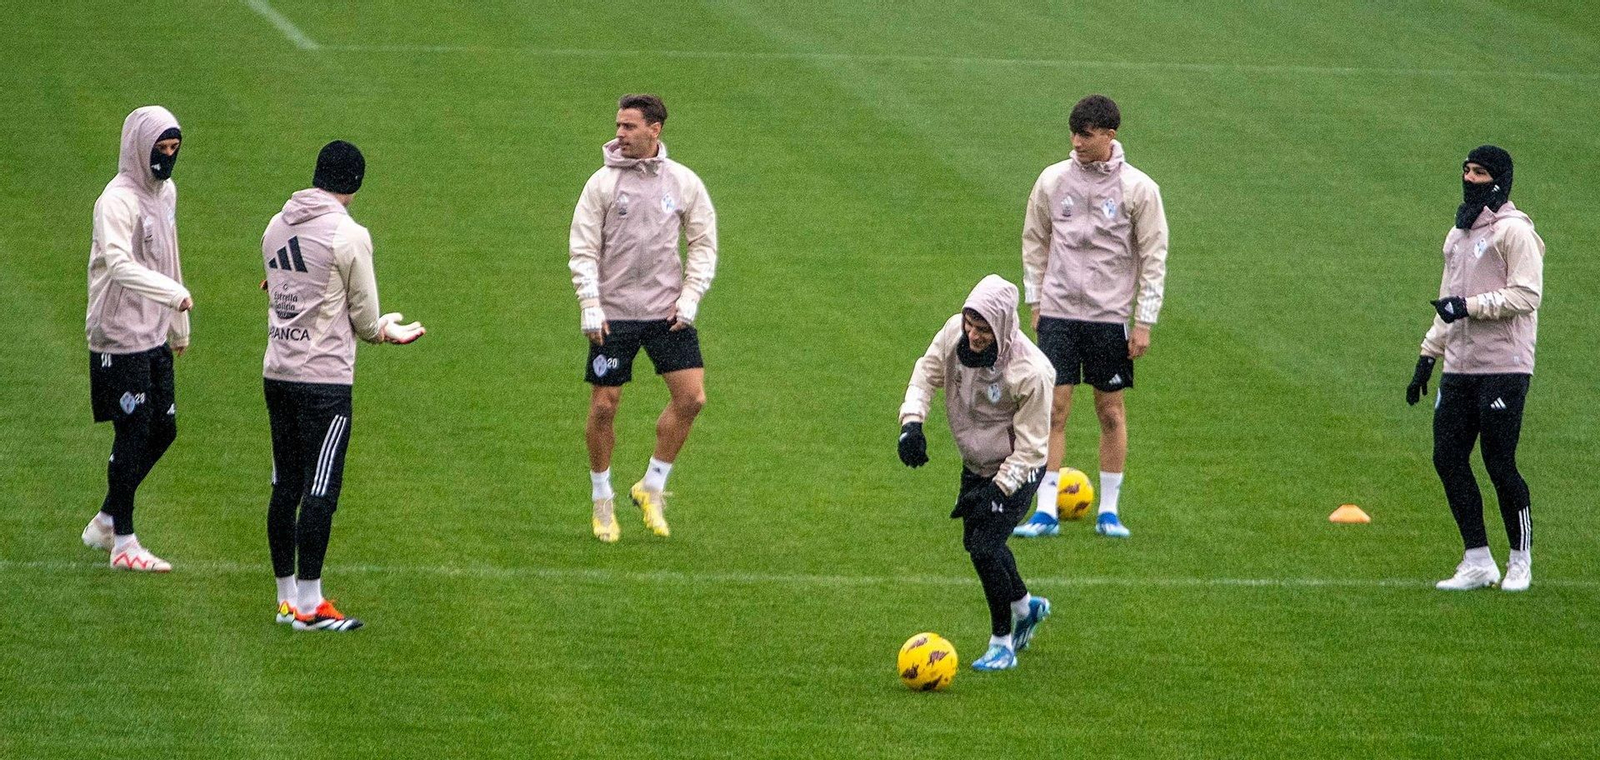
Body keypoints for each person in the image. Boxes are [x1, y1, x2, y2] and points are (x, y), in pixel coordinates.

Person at [261, 141, 426, 631]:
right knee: (320, 487)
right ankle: (310, 608)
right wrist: (386, 329)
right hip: (324, 380)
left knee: (284, 483)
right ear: (354, 183)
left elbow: (280, 288)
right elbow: (366, 316)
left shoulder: (275, 224)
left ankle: (286, 597)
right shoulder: (348, 234)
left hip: (277, 371)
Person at [1013, 94, 1169, 540]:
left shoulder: (1139, 189)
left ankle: (1110, 511)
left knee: (1110, 412)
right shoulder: (1052, 180)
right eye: (1074, 133)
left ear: (1109, 136)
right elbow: (1035, 239)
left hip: (1109, 317)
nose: (1076, 142)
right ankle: (1044, 511)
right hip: (1059, 312)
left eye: (1086, 135)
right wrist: (1036, 300)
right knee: (1053, 409)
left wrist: (1144, 321)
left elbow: (1153, 256)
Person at [569, 94, 717, 543]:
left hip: (666, 314)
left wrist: (690, 298)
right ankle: (602, 500)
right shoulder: (602, 184)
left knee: (692, 399)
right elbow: (582, 248)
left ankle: (651, 486)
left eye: (629, 127)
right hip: (613, 315)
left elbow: (704, 244)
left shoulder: (684, 182)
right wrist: (590, 304)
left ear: (655, 130)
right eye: (618, 125)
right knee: (604, 405)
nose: (619, 134)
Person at [898, 275, 1054, 672]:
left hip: (1018, 467)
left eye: (983, 329)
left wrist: (998, 491)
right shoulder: (954, 334)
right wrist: (912, 424)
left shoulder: (1032, 372)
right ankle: (1025, 606)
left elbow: (1034, 447)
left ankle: (1002, 642)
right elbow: (926, 373)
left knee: (985, 546)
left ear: (1002, 326)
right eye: (970, 324)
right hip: (975, 463)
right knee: (977, 542)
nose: (973, 335)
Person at [1407, 145, 1543, 592]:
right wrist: (1428, 355)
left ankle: (1519, 560)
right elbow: (1448, 303)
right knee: (1447, 457)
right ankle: (1477, 559)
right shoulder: (1458, 234)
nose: (1469, 178)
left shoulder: (1515, 233)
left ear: (1499, 179)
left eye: (1479, 172)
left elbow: (1526, 296)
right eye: (1466, 170)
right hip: (1459, 366)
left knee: (1499, 461)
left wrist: (1469, 307)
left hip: (1504, 364)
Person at [82, 105, 193, 572]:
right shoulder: (116, 202)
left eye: (173, 150)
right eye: (159, 150)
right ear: (138, 148)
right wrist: (174, 293)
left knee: (162, 428)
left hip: (151, 328)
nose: (166, 159)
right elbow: (120, 264)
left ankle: (107, 518)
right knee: (133, 431)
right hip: (117, 331)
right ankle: (124, 543)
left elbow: (168, 255)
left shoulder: (166, 194)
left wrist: (177, 323)